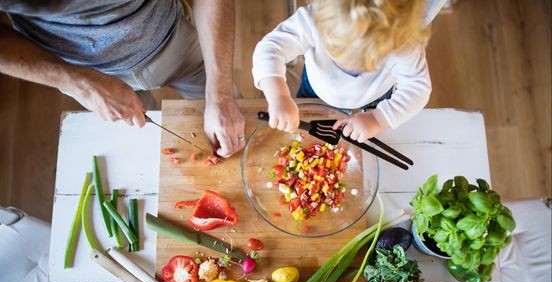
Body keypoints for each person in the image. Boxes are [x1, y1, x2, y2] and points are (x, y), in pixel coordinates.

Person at [0, 0, 245, 158]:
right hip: (80, 71)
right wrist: (81, 83)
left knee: (234, 125)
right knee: (151, 151)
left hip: (172, 38)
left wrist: (220, 95)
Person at [252, 0, 445, 143]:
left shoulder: (404, 43)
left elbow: (417, 88)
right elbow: (270, 48)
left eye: (368, 64)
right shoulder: (316, 18)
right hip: (316, 89)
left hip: (375, 99)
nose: (351, 71)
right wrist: (279, 96)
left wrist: (379, 119)